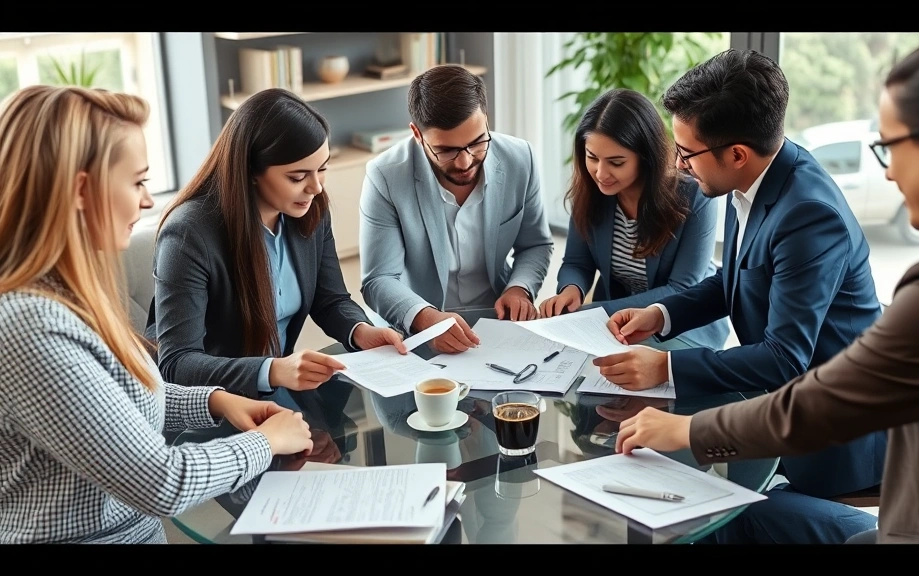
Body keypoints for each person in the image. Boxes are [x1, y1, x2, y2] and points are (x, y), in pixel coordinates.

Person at [615, 32, 919, 544]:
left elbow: (814, 399)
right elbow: (738, 277)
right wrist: (664, 313)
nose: (890, 171)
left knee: (704, 522)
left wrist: (688, 430)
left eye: (887, 146)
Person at [0, 85, 313, 544]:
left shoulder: (67, 294)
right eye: (137, 181)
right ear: (82, 190)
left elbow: (120, 404)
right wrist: (266, 442)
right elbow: (162, 482)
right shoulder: (31, 326)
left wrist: (214, 402)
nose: (147, 201)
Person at [599, 49, 888, 544]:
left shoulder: (809, 216)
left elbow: (784, 359)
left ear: (736, 153)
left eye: (687, 154)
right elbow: (736, 278)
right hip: (768, 403)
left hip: (827, 438)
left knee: (676, 504)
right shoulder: (754, 173)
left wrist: (665, 369)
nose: (679, 165)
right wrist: (662, 313)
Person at [149, 88, 407, 399]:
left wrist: (361, 331)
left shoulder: (310, 210)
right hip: (212, 405)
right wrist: (272, 370)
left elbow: (330, 300)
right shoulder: (189, 235)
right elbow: (177, 363)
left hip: (277, 394)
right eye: (298, 177)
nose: (315, 188)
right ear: (251, 171)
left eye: (322, 169)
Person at [359, 64, 554, 354]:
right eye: (447, 150)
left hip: (497, 319)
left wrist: (520, 288)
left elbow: (536, 244)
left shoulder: (520, 158)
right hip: (417, 325)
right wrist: (426, 320)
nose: (465, 162)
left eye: (477, 143)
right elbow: (379, 279)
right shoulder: (385, 175)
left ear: (486, 120)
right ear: (416, 133)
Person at [538, 88, 729, 351]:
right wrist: (571, 290)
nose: (600, 173)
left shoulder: (695, 194)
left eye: (616, 162)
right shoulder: (591, 192)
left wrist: (593, 312)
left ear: (646, 158)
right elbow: (576, 262)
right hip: (611, 325)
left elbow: (681, 288)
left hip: (681, 325)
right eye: (592, 157)